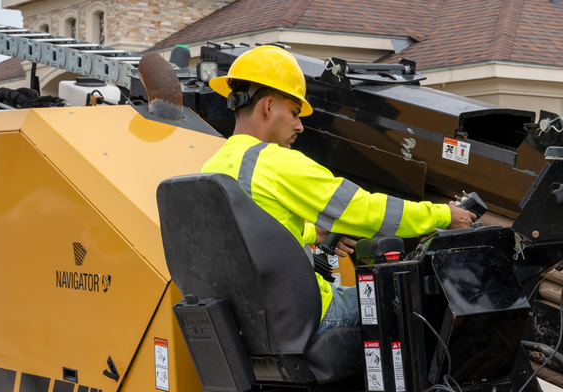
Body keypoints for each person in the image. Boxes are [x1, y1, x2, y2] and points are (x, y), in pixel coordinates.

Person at [201, 45, 476, 335]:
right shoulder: (277, 163)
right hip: (302, 316)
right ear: (268, 106)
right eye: (295, 113)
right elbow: (364, 210)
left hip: (250, 323)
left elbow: (250, 238)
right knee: (411, 299)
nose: (300, 126)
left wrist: (314, 233)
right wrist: (442, 215)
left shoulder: (211, 167)